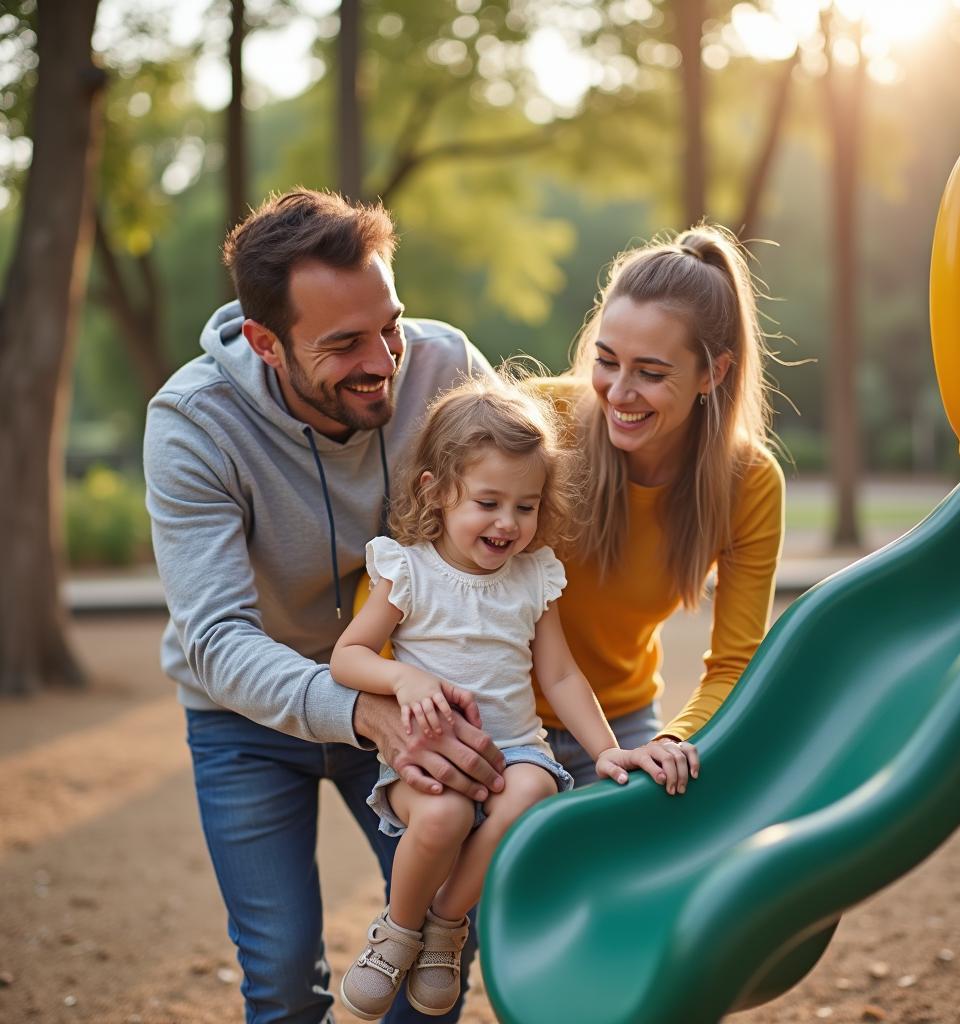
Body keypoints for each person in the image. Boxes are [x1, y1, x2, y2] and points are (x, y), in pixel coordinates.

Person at [143, 189, 509, 1024]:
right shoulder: (193, 422)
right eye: (343, 344)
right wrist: (359, 709)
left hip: (404, 696)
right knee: (279, 976)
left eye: (390, 324)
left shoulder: (445, 366)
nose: (383, 359)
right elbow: (216, 638)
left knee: (438, 938)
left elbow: (527, 505)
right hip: (245, 723)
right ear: (266, 342)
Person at [329, 377, 697, 1020]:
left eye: (525, 507)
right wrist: (403, 679)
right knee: (440, 820)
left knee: (536, 790)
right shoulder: (407, 570)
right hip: (429, 758)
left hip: (515, 753)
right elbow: (347, 657)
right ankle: (397, 931)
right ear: (436, 492)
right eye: (489, 502)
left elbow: (559, 677)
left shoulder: (534, 575)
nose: (508, 523)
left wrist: (609, 752)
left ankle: (446, 927)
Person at [536, 225, 785, 783]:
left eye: (649, 373)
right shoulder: (538, 424)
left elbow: (735, 664)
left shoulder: (748, 483)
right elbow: (421, 557)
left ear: (712, 373)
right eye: (606, 360)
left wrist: (673, 742)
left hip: (621, 722)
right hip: (499, 715)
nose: (619, 392)